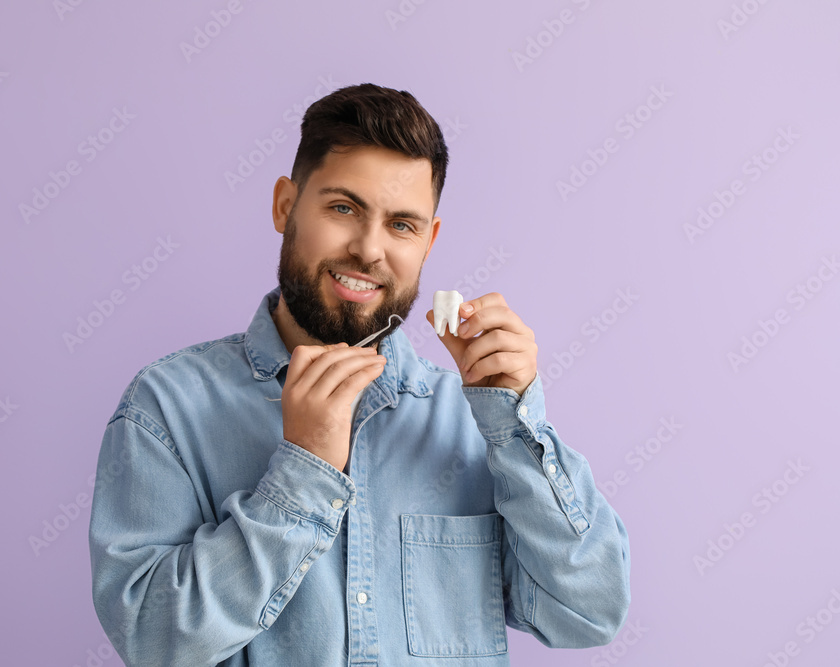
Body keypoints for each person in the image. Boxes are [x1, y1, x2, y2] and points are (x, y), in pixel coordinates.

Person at [88, 82, 631, 666]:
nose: (369, 250)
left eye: (402, 225)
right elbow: (154, 642)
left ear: (429, 242)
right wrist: (304, 469)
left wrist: (515, 426)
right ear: (284, 206)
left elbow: (589, 611)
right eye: (343, 208)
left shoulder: (475, 422)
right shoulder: (167, 407)